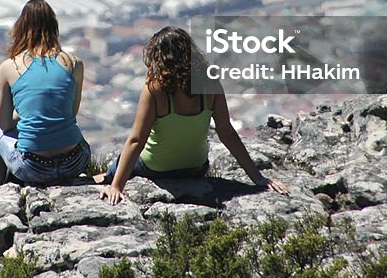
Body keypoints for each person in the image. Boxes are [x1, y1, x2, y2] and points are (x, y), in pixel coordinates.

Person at [99, 26, 289, 205]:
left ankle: (103, 178)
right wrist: (258, 178)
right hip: (195, 168)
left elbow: (136, 140)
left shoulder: (155, 89)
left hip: (156, 168)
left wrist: (116, 187)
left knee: (117, 163)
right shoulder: (210, 84)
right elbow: (227, 134)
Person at [0, 0, 91, 199]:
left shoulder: (9, 66)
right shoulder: (74, 64)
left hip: (32, 167)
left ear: (20, 27)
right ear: (54, 27)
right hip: (75, 161)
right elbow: (71, 113)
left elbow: (5, 124)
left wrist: (23, 114)